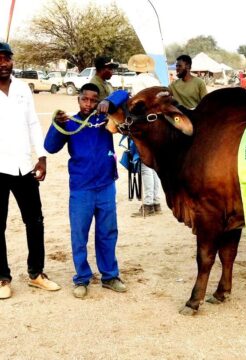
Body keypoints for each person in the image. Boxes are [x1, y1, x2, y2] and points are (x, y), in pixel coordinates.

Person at [44, 83, 129, 299]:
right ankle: (81, 278)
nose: (88, 104)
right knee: (79, 235)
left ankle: (110, 276)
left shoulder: (104, 117)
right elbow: (50, 147)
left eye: (93, 99)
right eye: (85, 99)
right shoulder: (70, 122)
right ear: (78, 99)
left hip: (106, 185)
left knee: (108, 233)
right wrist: (56, 124)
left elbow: (124, 94)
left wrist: (108, 102)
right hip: (81, 188)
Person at [0, 42, 61, 299]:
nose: (3, 63)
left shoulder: (23, 88)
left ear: (13, 61)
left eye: (7, 58)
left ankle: (36, 273)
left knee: (34, 221)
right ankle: (2, 278)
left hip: (24, 165)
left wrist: (42, 157)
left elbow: (34, 124)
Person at [127, 54, 163, 217]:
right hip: (159, 125)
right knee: (154, 165)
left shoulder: (137, 82)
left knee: (146, 165)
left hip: (145, 126)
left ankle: (148, 203)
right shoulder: (155, 81)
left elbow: (135, 105)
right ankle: (155, 202)